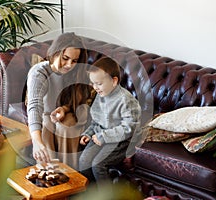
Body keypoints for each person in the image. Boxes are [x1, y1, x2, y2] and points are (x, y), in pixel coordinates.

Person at [26, 32, 94, 169]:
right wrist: (36, 142)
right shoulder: (39, 73)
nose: (69, 65)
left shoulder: (76, 72)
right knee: (47, 124)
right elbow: (34, 106)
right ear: (55, 52)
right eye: (65, 58)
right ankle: (49, 172)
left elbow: (79, 100)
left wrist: (65, 108)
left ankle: (71, 175)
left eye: (74, 61)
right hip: (47, 114)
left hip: (74, 112)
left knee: (66, 126)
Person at [78, 56, 141, 187]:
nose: (95, 87)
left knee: (98, 164)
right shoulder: (100, 95)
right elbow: (96, 121)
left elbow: (130, 127)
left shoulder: (125, 99)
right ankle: (91, 193)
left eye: (99, 83)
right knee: (84, 161)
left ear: (114, 81)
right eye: (93, 83)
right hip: (100, 137)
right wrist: (88, 134)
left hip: (120, 141)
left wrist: (104, 136)